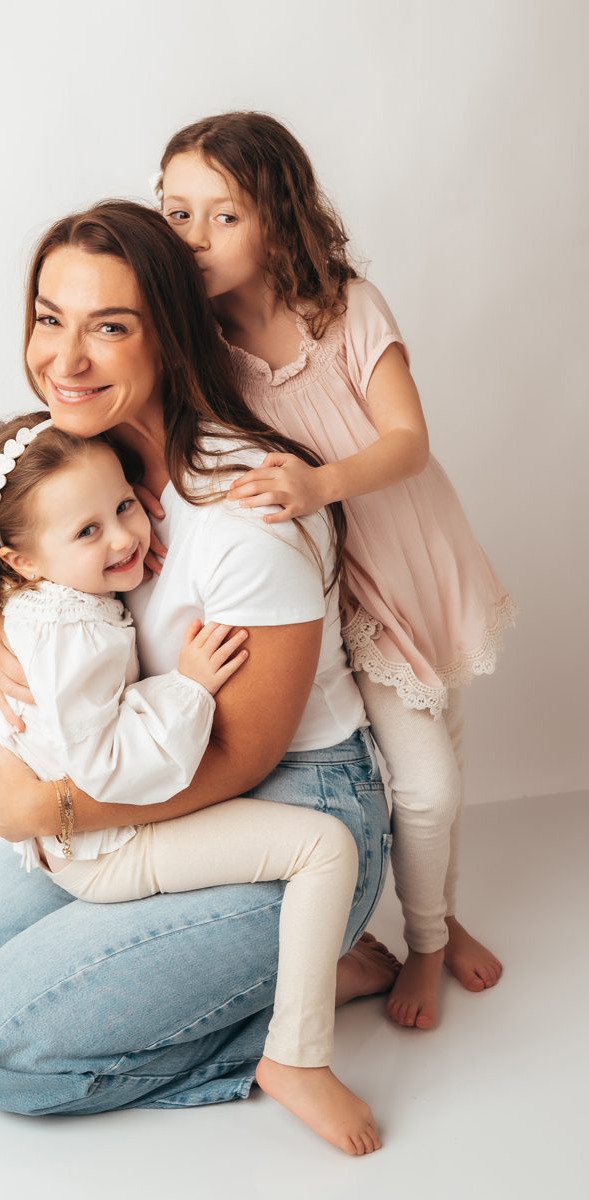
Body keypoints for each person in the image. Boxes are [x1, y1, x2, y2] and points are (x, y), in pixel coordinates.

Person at [0, 200, 398, 1140]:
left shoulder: (242, 507)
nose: (65, 358)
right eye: (51, 318)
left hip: (287, 800)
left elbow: (243, 756)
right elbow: (1, 564)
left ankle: (298, 996)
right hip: (137, 769)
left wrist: (51, 811)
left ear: (168, 335)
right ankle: (289, 970)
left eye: (110, 327)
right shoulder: (78, 460)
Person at [154, 111, 516, 1030]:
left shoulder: (345, 306)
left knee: (443, 759)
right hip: (340, 595)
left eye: (221, 216)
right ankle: (426, 939)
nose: (192, 238)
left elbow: (408, 441)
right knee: (424, 782)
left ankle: (437, 925)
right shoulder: (200, 348)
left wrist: (320, 484)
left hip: (412, 550)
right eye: (175, 213)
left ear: (276, 217)